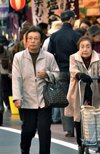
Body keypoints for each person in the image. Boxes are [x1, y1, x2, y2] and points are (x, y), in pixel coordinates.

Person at [12, 26, 59, 154]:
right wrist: (17, 97)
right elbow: (16, 78)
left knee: (44, 131)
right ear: (26, 41)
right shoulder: (18, 57)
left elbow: (57, 75)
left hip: (44, 100)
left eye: (36, 38)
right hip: (26, 101)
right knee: (28, 130)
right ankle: (24, 149)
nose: (33, 41)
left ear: (41, 41)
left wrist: (47, 74)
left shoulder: (49, 57)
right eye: (30, 38)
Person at [65, 36, 100, 153]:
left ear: (92, 47)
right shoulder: (73, 57)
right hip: (79, 91)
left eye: (88, 46)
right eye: (82, 47)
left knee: (99, 115)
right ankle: (81, 142)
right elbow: (73, 70)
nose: (85, 49)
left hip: (95, 90)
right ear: (78, 48)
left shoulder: (98, 57)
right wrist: (80, 75)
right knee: (79, 117)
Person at [48, 10, 81, 137]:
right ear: (72, 19)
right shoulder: (76, 35)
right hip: (75, 71)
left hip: (60, 71)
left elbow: (50, 55)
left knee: (64, 101)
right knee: (76, 98)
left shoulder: (54, 36)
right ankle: (77, 125)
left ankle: (68, 129)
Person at [42, 20, 63, 124]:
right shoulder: (59, 39)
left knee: (52, 92)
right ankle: (56, 117)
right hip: (58, 69)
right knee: (58, 92)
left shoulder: (47, 41)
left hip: (50, 69)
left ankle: (54, 116)